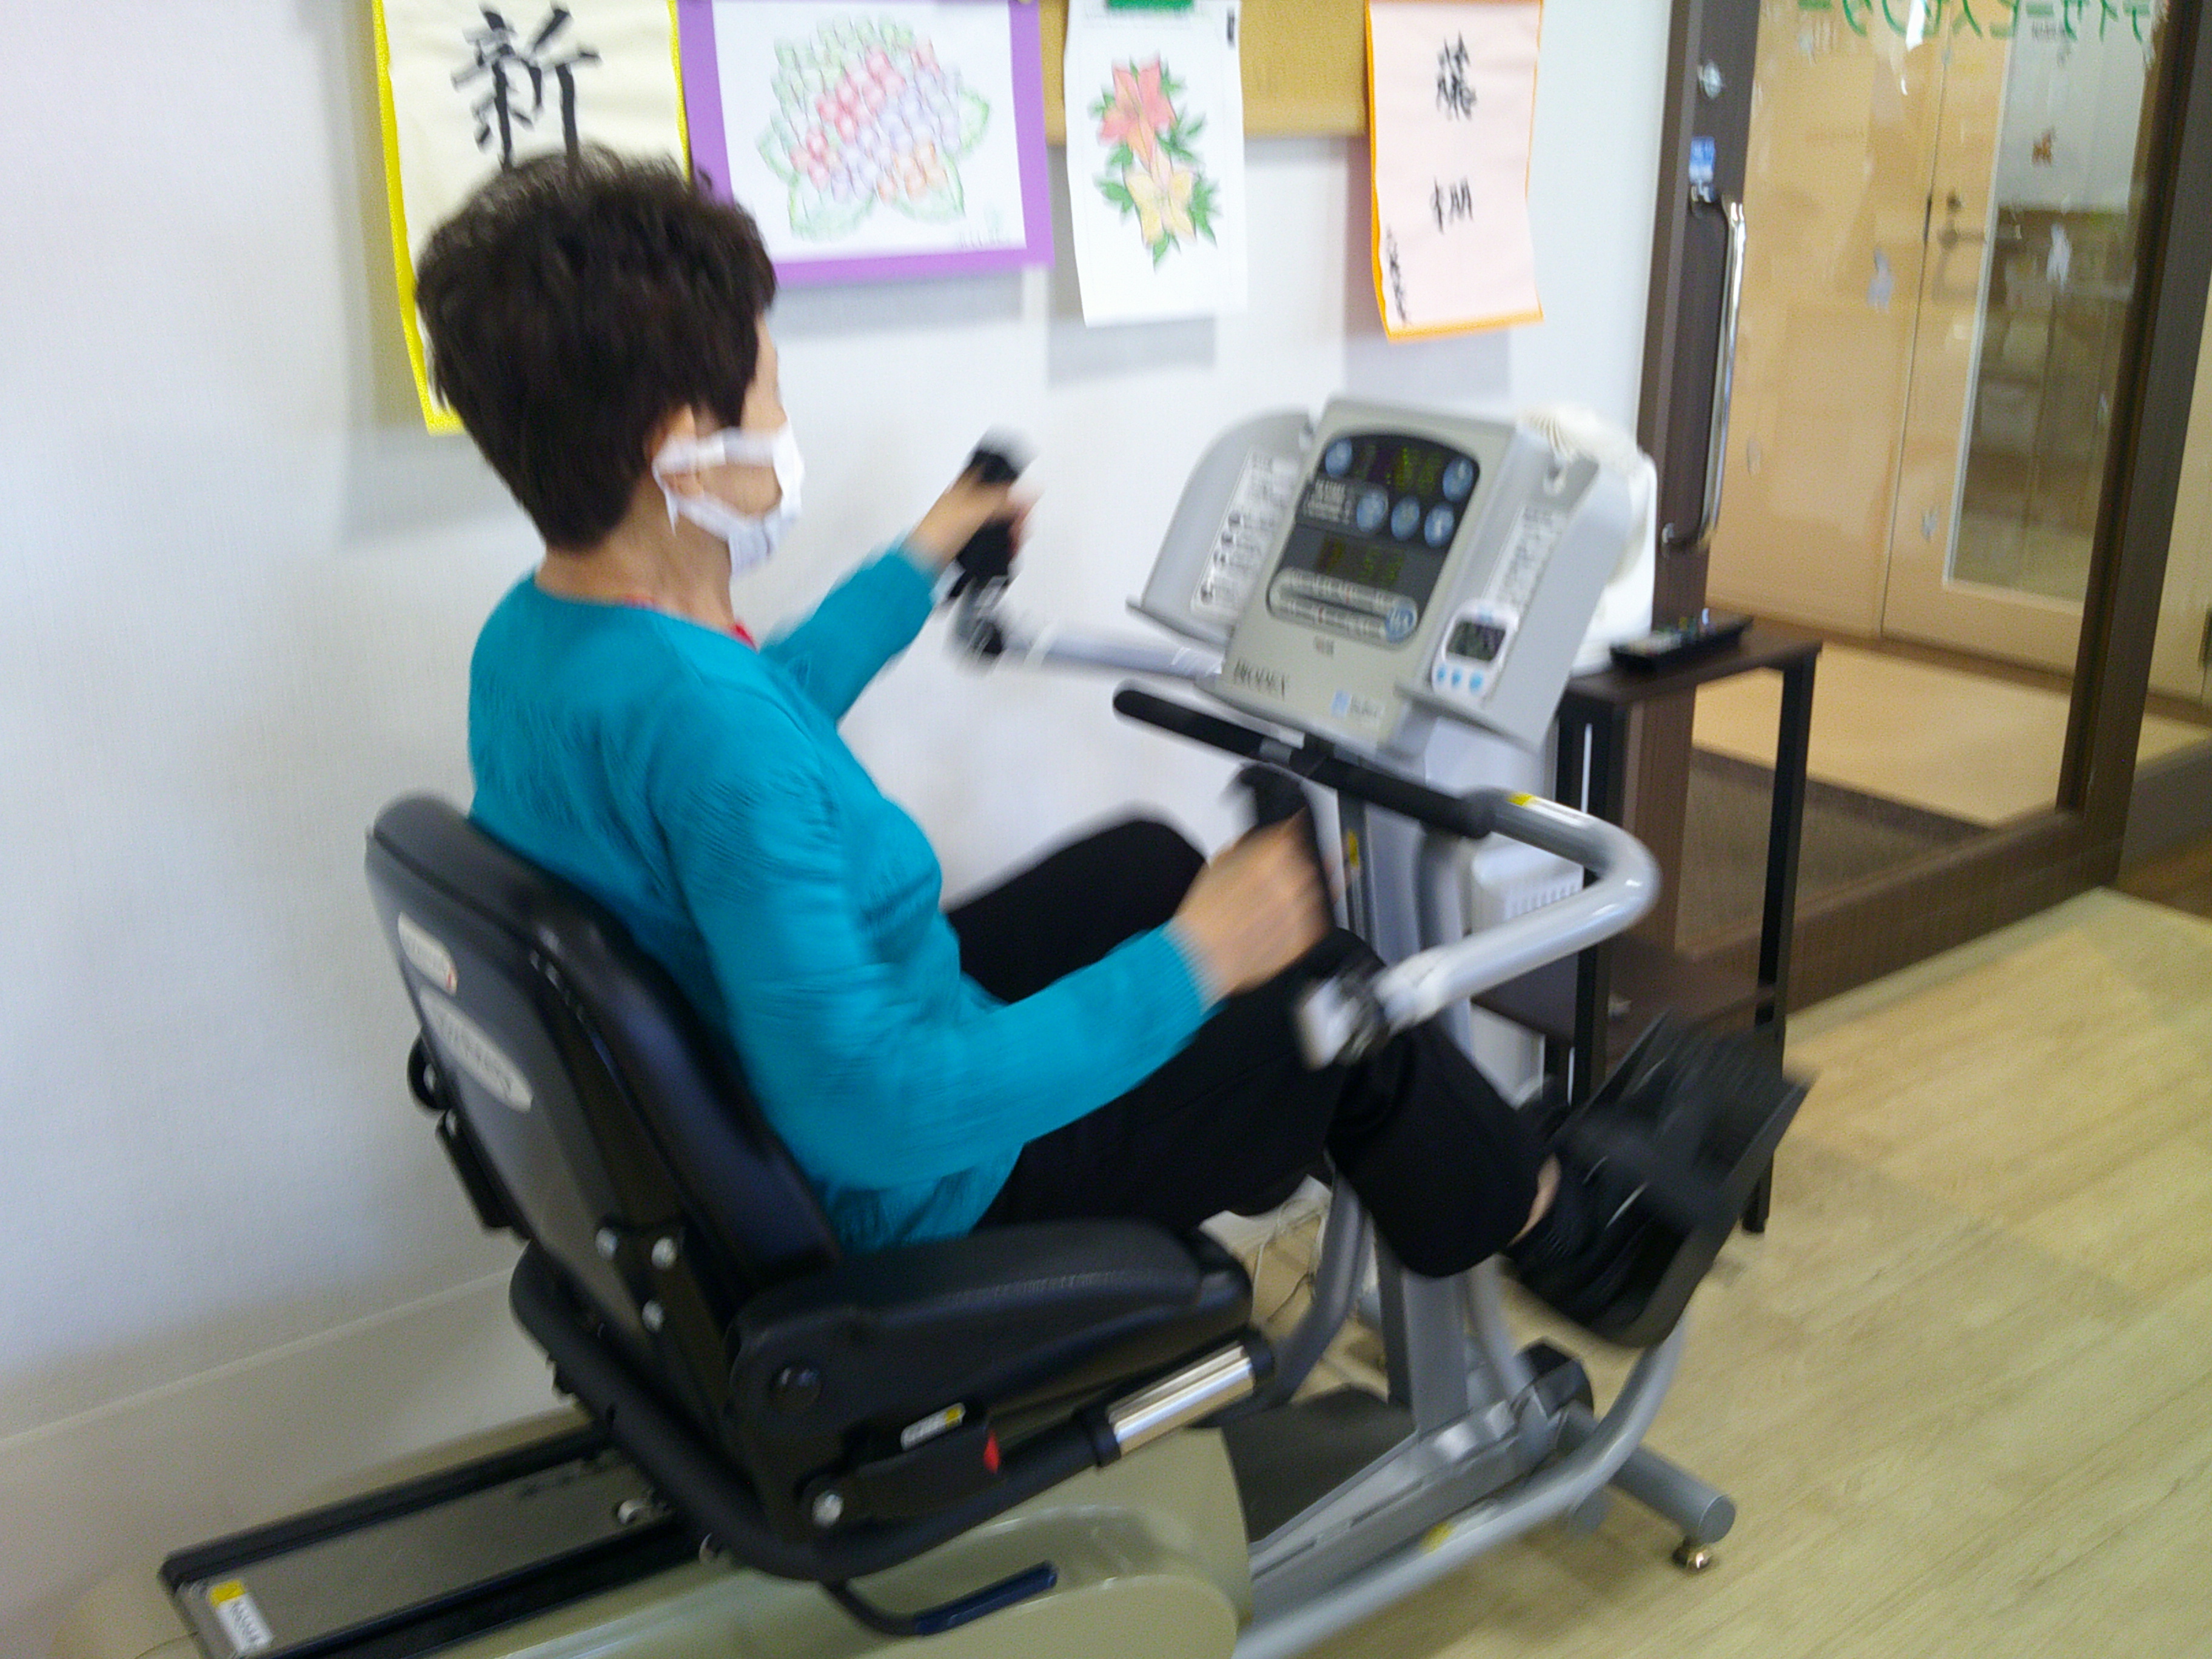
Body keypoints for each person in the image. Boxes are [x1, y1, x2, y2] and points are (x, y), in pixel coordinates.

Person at [416, 149, 1766, 1342]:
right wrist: (1198, 964)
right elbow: (873, 1108)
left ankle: (1379, 1137)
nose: (782, 426)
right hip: (912, 1183)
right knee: (1340, 1002)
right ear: (684, 452)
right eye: (767, 396)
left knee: (1144, 864)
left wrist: (920, 559)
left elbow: (757, 714)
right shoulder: (711, 734)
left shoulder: (542, 641)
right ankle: (1567, 1231)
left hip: (793, 1070)